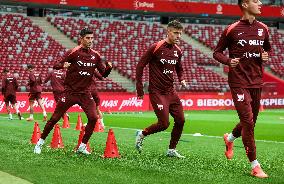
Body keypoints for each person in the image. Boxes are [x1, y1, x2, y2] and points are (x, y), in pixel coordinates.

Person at [213, 0, 271, 178]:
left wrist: (265, 56)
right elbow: (217, 52)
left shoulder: (264, 28)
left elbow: (266, 49)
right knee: (248, 123)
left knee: (250, 122)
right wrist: (228, 61)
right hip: (238, 81)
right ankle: (255, 166)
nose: (260, 3)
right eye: (255, 0)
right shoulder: (232, 29)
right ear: (245, 4)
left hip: (256, 81)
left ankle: (229, 138)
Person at [34, 28, 112, 154]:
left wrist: (109, 68)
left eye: (92, 38)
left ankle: (82, 146)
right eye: (87, 38)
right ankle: (40, 143)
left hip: (85, 93)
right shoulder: (73, 52)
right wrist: (62, 65)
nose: (90, 40)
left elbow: (103, 74)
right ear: (81, 38)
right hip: (69, 93)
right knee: (54, 118)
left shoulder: (95, 55)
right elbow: (56, 65)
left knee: (93, 118)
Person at [135, 20, 187, 158]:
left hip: (171, 91)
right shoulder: (156, 47)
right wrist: (139, 88)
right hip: (157, 92)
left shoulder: (178, 51)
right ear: (168, 32)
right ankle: (142, 133)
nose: (178, 36)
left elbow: (179, 67)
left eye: (180, 33)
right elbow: (140, 65)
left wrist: (181, 78)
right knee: (164, 123)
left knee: (181, 120)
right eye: (176, 33)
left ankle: (171, 149)